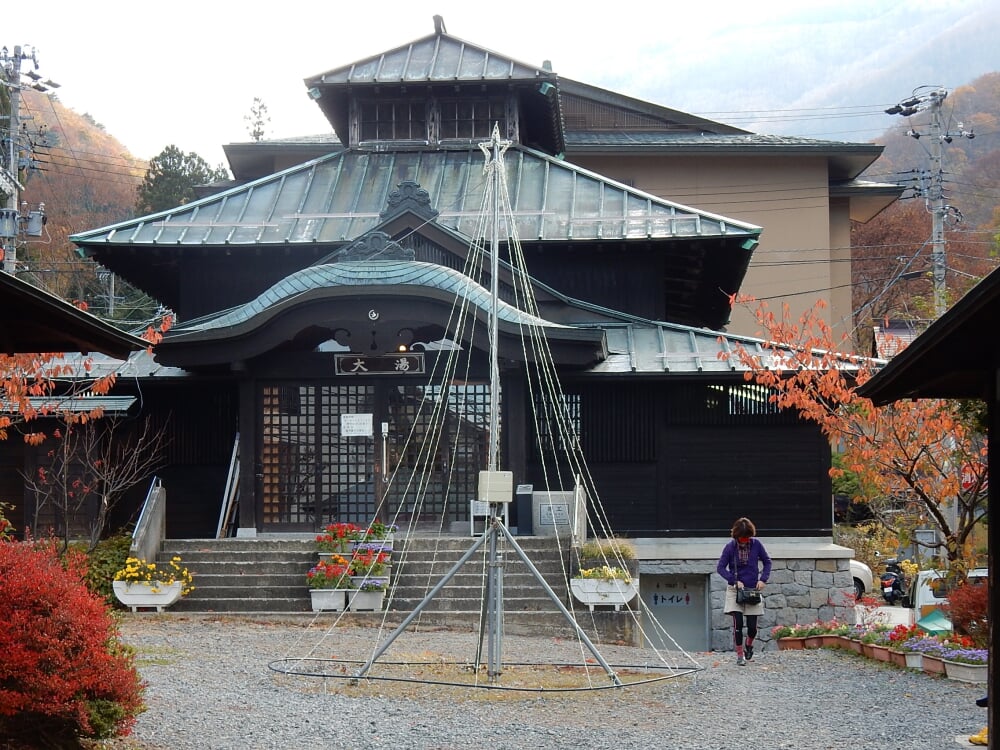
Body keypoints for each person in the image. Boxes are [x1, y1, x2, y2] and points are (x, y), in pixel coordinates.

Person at [716, 517, 772, 666]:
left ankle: (749, 645)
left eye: (748, 537)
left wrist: (763, 579)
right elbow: (720, 568)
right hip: (735, 590)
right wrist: (734, 581)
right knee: (738, 624)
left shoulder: (756, 544)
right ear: (736, 535)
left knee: (752, 627)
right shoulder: (730, 547)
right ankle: (740, 655)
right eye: (742, 537)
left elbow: (767, 562)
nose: (745, 540)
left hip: (753, 589)